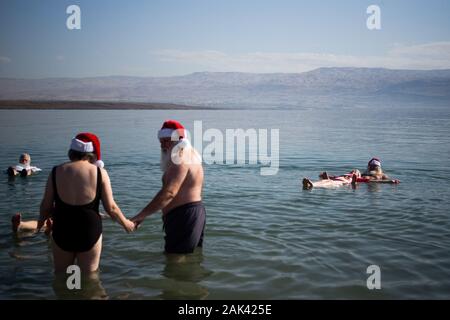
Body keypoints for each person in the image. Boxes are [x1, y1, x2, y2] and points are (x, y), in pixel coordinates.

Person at [38, 132, 135, 273]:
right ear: (92, 154)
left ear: (71, 152)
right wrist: (126, 224)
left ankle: (70, 291)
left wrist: (40, 224)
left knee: (62, 275)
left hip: (63, 230)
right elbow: (111, 208)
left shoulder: (56, 171)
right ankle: (83, 293)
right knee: (89, 279)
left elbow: (45, 206)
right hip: (89, 231)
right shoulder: (100, 173)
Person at [131, 120, 206, 254]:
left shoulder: (180, 157)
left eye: (166, 141)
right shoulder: (193, 155)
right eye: (161, 141)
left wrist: (141, 215)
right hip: (193, 214)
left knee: (176, 262)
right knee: (187, 259)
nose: (163, 146)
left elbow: (170, 192)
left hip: (183, 217)